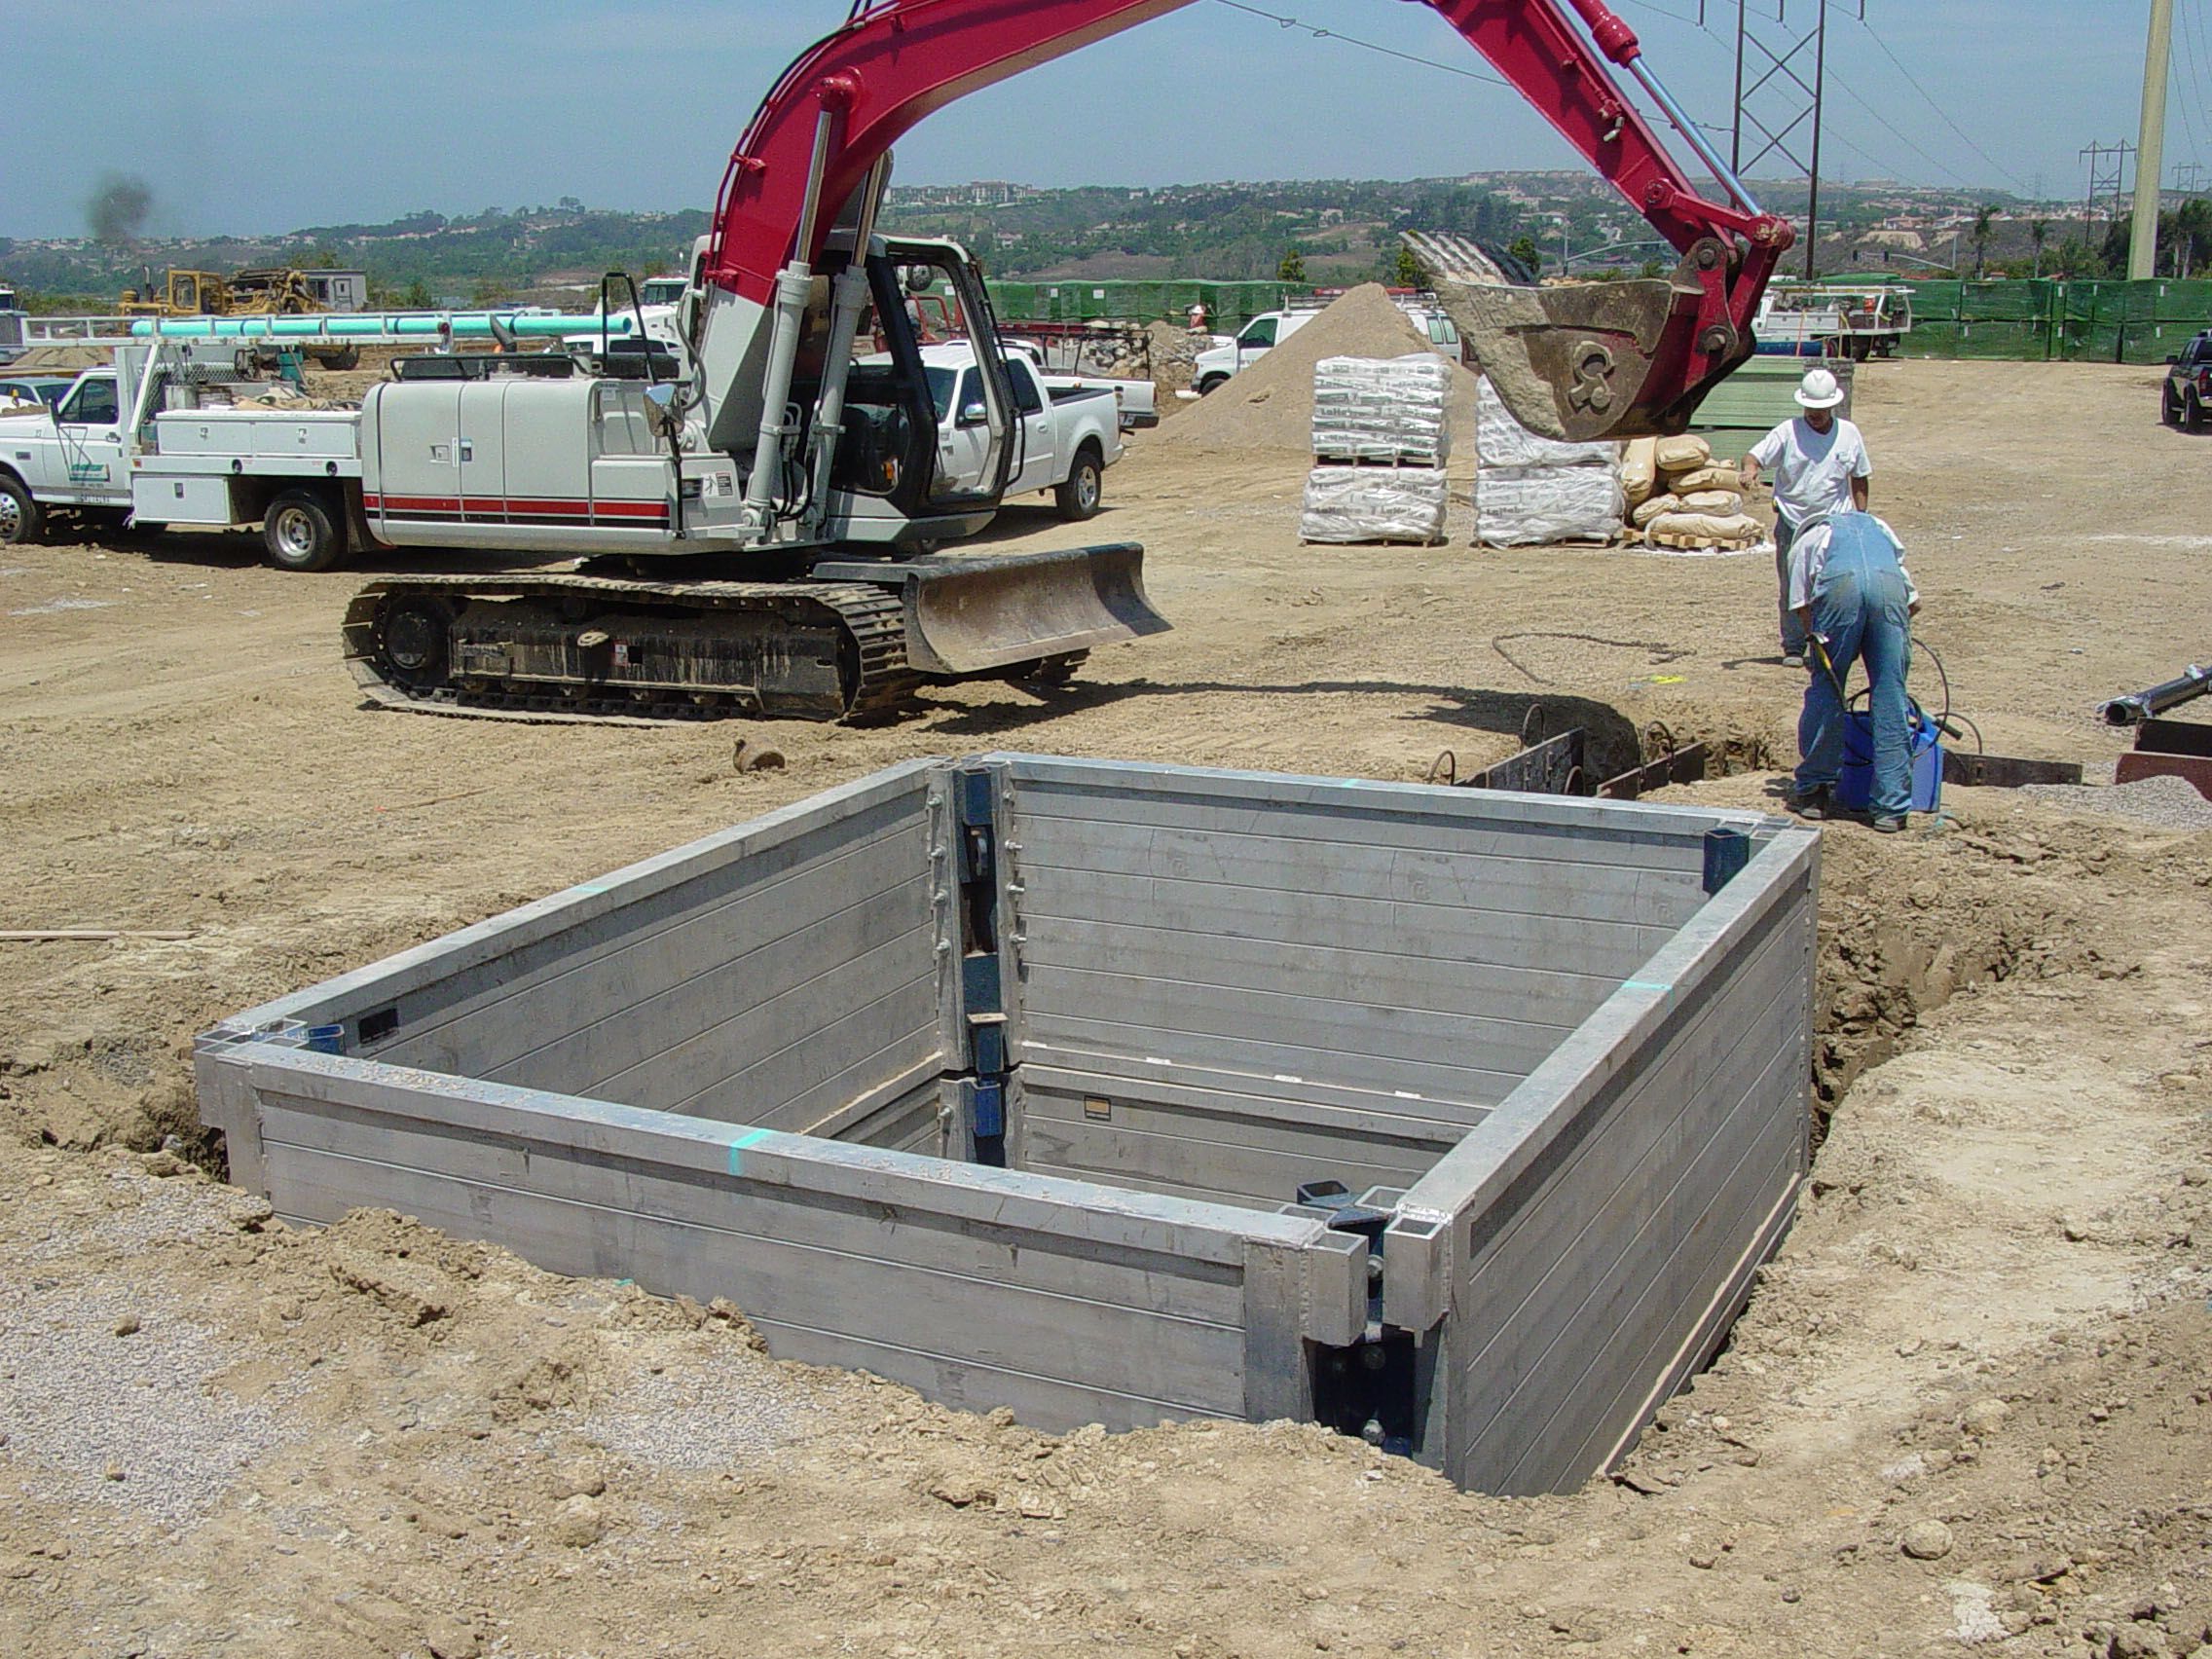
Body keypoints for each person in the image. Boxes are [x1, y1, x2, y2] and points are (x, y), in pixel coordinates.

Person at [1785, 506, 1920, 832]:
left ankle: (1815, 791)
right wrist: (1879, 639)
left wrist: (1822, 650)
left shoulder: (1807, 542)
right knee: (1890, 695)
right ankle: (1891, 806)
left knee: (1827, 689)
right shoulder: (1880, 527)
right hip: (1889, 592)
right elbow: (1914, 602)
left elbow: (1802, 607)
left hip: (1840, 590)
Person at [1739, 366, 1872, 667]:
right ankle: (1794, 646)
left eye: (1821, 409)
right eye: (1810, 408)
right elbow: (1754, 456)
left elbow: (1860, 477)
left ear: (1832, 406)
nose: (1815, 414)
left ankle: (1826, 645)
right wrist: (1750, 470)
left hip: (1834, 523)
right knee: (1793, 586)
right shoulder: (1788, 432)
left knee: (1831, 585)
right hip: (1793, 521)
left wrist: (1861, 517)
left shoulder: (1849, 435)